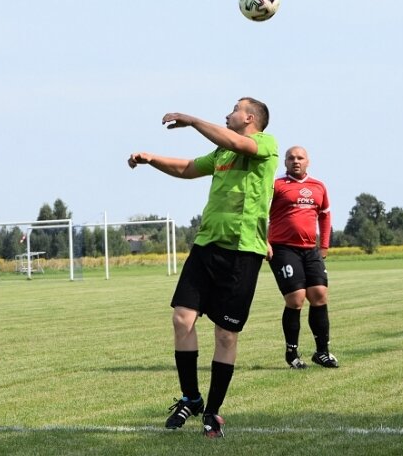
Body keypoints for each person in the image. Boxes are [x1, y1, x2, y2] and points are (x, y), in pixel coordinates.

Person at [127, 97, 278, 438]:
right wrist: (152, 159)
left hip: (242, 251)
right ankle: (191, 398)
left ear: (250, 117)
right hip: (206, 245)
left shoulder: (264, 143)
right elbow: (187, 168)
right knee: (182, 318)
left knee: (225, 334)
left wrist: (192, 120)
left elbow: (237, 142)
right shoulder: (222, 154)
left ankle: (212, 411)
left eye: (234, 109)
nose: (228, 113)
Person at [267, 146, 338, 369]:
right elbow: (259, 214)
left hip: (310, 249)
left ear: (308, 161)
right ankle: (292, 353)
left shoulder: (318, 186)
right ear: (285, 162)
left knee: (319, 294)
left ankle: (322, 352)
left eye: (300, 158)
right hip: (282, 248)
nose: (295, 161)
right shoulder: (276, 185)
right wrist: (263, 241)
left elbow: (325, 217)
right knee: (296, 298)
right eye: (291, 158)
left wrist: (324, 245)